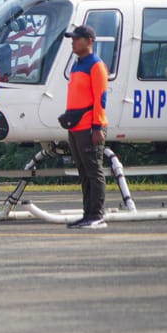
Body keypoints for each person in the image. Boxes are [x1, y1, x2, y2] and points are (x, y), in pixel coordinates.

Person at [62, 24, 109, 229]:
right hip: (75, 126)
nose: (73, 42)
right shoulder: (77, 63)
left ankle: (97, 215)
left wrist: (97, 126)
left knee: (93, 170)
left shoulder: (95, 65)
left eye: (76, 38)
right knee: (83, 171)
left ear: (89, 41)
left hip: (89, 126)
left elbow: (101, 97)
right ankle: (87, 213)